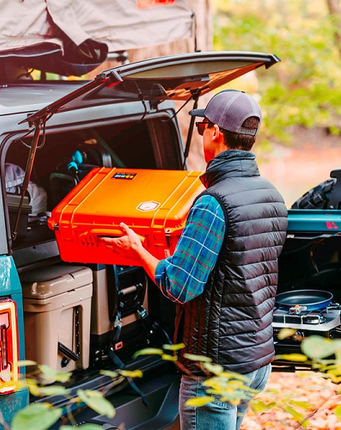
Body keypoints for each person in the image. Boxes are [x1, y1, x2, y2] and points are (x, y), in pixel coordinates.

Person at [100, 90, 288, 430]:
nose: (202, 134)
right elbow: (238, 267)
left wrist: (138, 251)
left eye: (202, 126)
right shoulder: (271, 194)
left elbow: (178, 286)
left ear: (215, 131)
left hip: (215, 370)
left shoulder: (213, 202)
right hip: (255, 361)